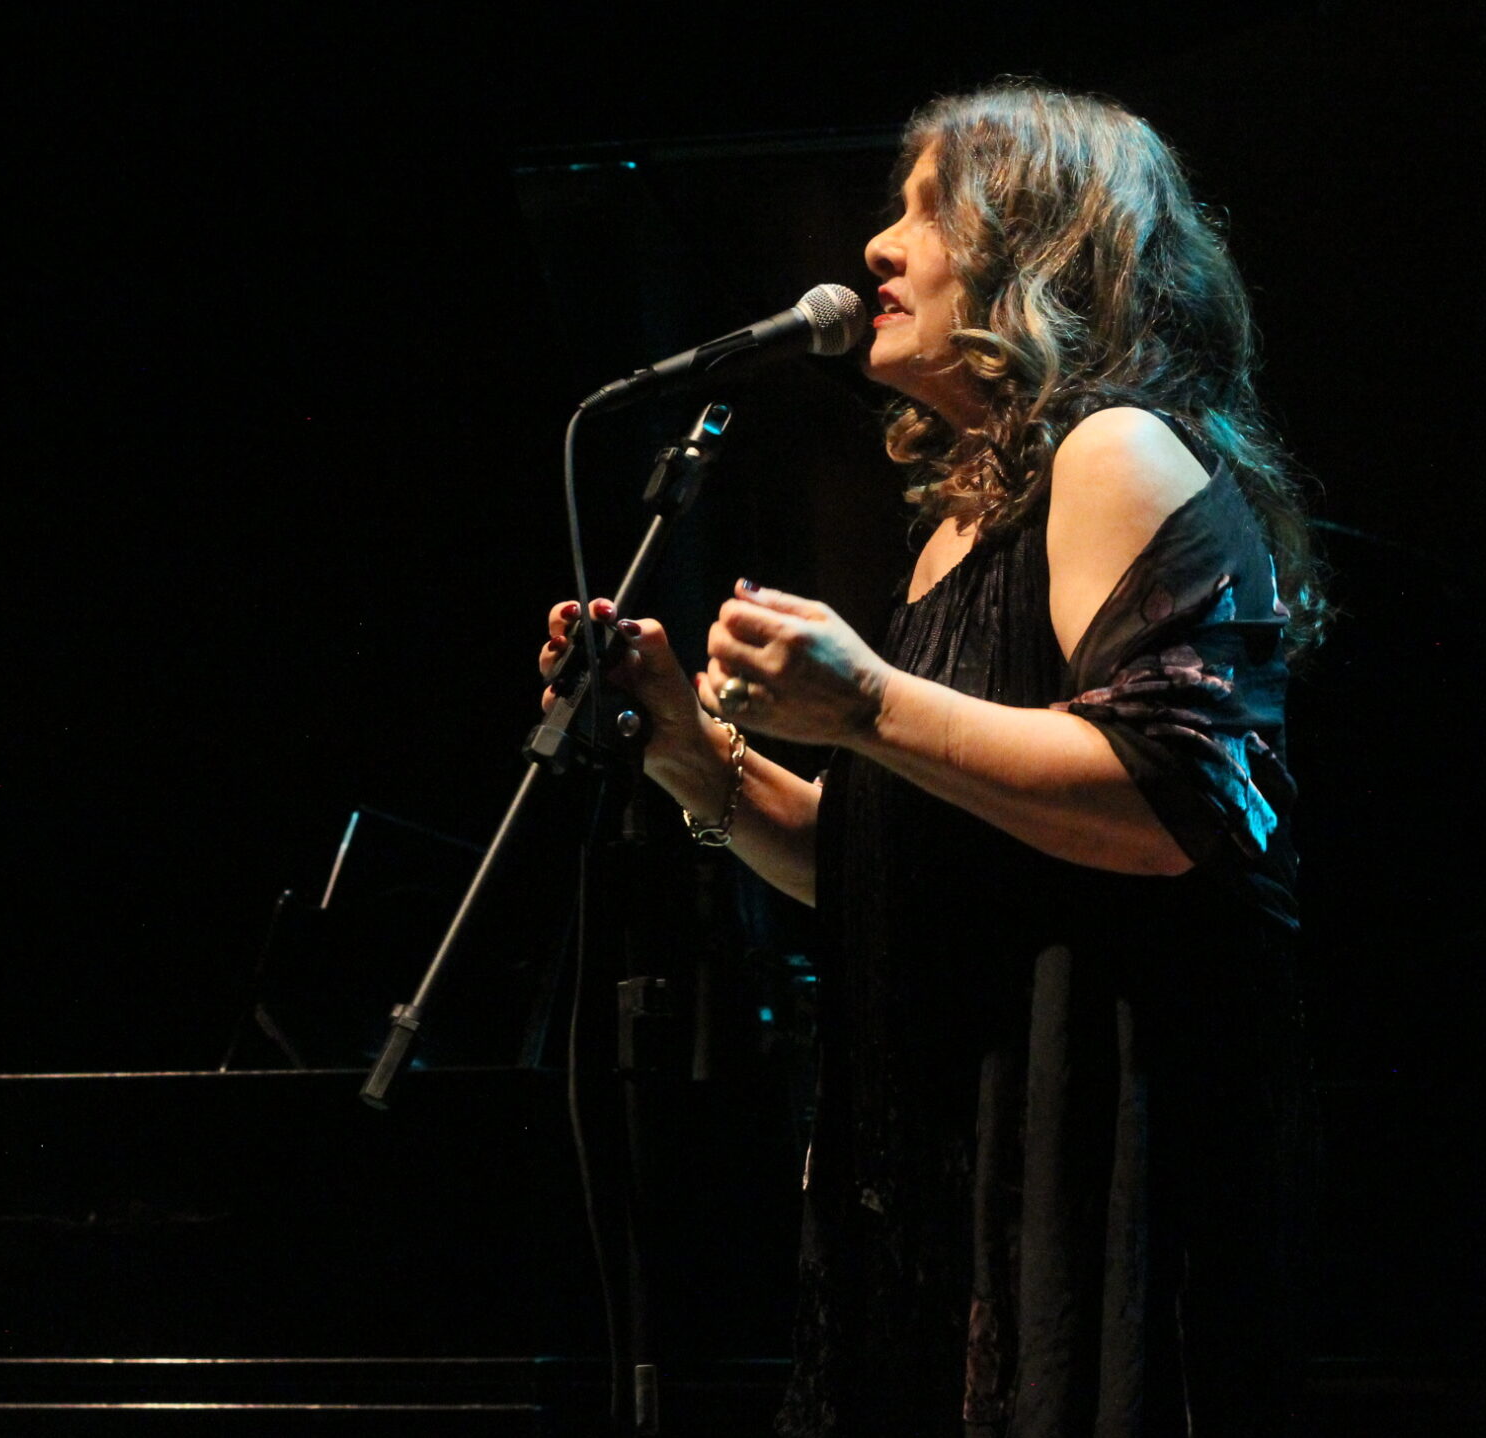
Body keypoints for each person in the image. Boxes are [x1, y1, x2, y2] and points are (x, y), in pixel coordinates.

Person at [542, 83, 1318, 1434]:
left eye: (926, 212)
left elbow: (1178, 798)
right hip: (942, 1157)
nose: (876, 250)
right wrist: (684, 745)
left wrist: (866, 703)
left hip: (1078, 1145)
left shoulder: (1114, 452)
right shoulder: (959, 528)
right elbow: (885, 869)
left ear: (1041, 248)